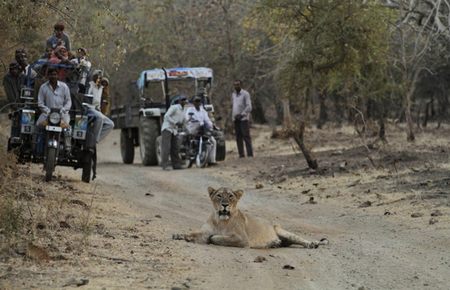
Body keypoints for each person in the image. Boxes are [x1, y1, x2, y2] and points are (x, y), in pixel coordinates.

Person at [185, 96, 217, 165]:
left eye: (199, 101)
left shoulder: (203, 111)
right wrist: (192, 120)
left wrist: (211, 126)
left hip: (203, 129)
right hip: (193, 128)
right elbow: (187, 119)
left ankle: (212, 160)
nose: (197, 102)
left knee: (213, 141)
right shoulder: (190, 110)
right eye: (196, 101)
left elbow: (207, 120)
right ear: (193, 102)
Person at [160, 95, 187, 170]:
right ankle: (164, 165)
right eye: (182, 99)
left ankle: (176, 165)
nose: (184, 101)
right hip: (167, 128)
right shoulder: (174, 107)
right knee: (166, 147)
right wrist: (175, 122)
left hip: (174, 130)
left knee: (175, 147)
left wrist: (184, 126)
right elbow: (166, 116)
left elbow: (183, 120)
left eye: (185, 99)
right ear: (179, 101)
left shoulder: (184, 110)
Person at [231, 79, 253, 158]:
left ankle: (250, 154)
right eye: (235, 85)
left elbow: (249, 106)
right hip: (236, 118)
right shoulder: (233, 94)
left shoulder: (245, 94)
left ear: (241, 85)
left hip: (243, 119)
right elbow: (233, 106)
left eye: (238, 85)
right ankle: (241, 154)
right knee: (238, 137)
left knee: (246, 136)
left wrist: (242, 114)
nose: (236, 86)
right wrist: (234, 116)